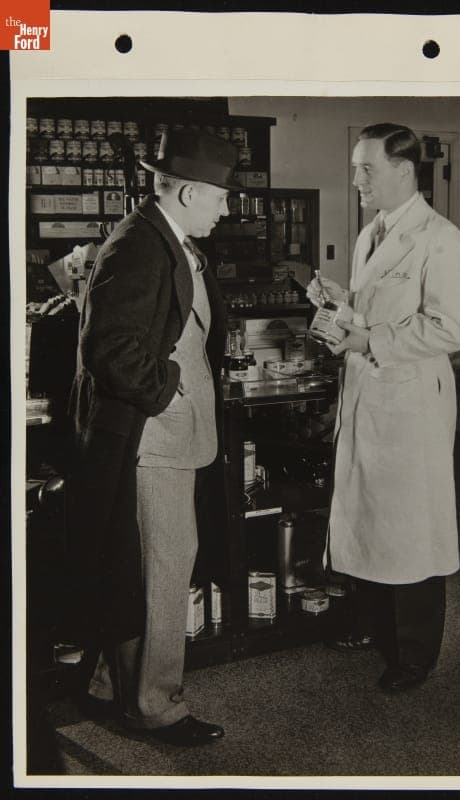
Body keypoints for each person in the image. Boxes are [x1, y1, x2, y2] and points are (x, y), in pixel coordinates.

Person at [66, 128, 240, 746]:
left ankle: (119, 688)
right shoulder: (139, 246)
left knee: (144, 567)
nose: (227, 208)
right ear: (191, 192)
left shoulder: (169, 237)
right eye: (221, 197)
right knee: (165, 571)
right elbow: (108, 349)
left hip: (171, 434)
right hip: (153, 437)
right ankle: (155, 708)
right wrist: (168, 391)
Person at [307, 123, 460, 693]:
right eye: (356, 168)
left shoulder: (440, 237)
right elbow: (378, 305)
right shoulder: (370, 233)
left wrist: (368, 340)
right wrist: (342, 302)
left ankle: (415, 654)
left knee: (411, 525)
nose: (357, 179)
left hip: (409, 401)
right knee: (369, 514)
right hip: (369, 395)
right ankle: (371, 624)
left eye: (366, 169)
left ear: (404, 170)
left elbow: (453, 327)